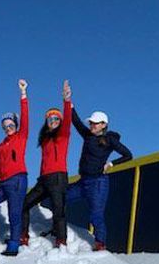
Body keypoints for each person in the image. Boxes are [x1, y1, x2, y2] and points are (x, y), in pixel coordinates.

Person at [68, 107, 133, 251]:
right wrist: (68, 103)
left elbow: (128, 155)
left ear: (103, 124)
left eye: (95, 123)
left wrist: (111, 164)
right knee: (61, 198)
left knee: (96, 215)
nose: (92, 125)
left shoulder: (110, 139)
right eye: (91, 123)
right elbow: (77, 122)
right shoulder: (88, 135)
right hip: (82, 182)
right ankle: (57, 230)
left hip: (98, 183)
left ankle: (100, 244)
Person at [21, 80, 73, 247]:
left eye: (56, 118)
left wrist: (66, 100)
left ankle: (61, 241)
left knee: (59, 211)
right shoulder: (45, 139)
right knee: (25, 204)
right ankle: (23, 236)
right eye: (50, 119)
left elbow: (68, 120)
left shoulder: (63, 134)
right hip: (43, 179)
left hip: (58, 178)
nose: (53, 121)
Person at [0, 79, 30, 257]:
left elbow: (25, 117)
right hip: (2, 183)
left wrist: (23, 94)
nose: (8, 128)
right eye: (5, 127)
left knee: (14, 213)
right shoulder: (1, 146)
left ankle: (14, 244)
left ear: (16, 126)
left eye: (11, 125)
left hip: (18, 180)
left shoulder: (21, 137)